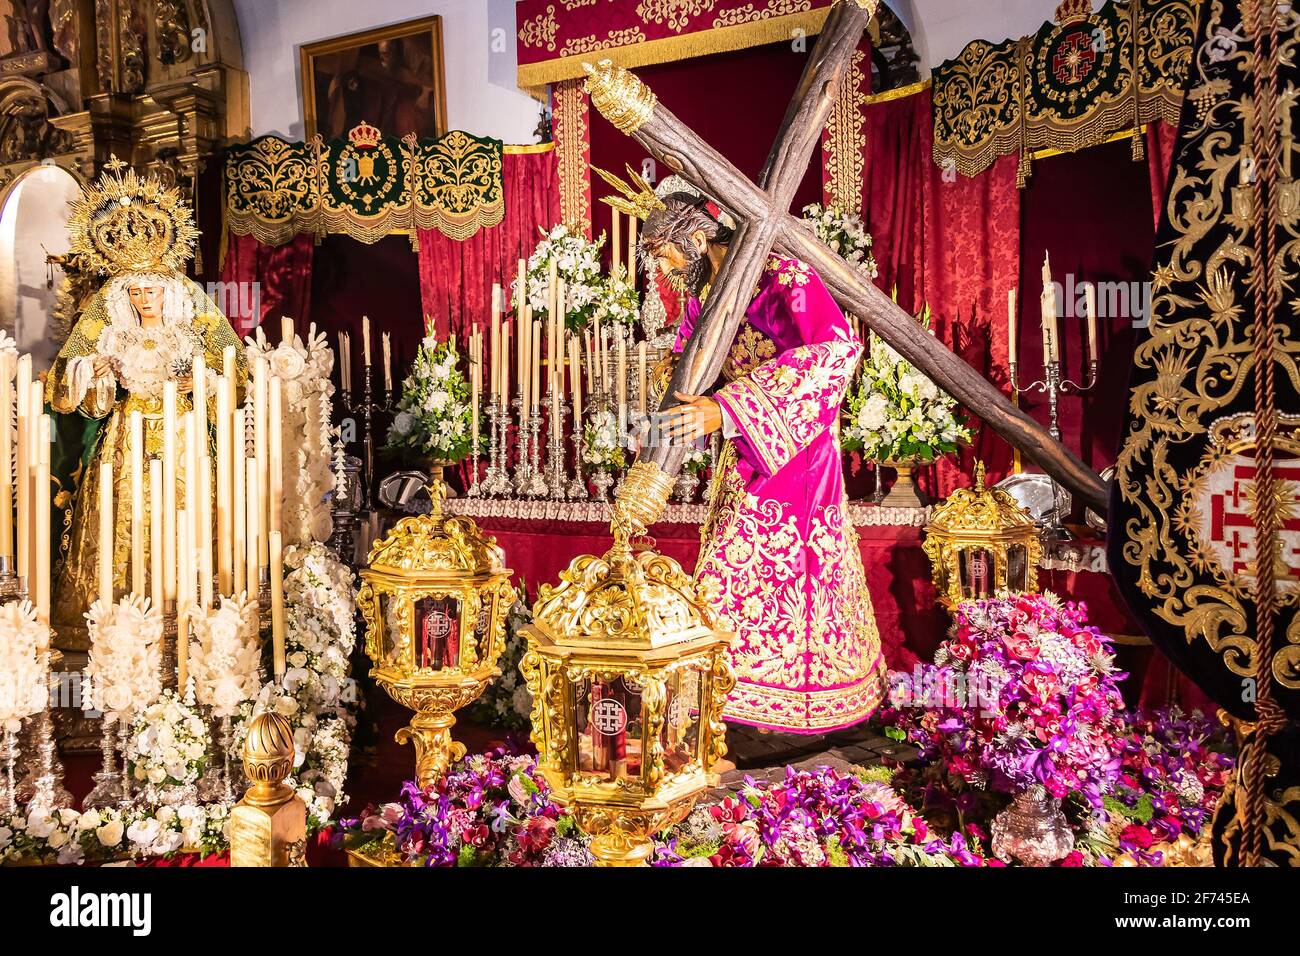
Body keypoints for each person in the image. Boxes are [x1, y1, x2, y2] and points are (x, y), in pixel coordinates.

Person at [640, 192, 885, 734]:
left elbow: (833, 353)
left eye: (665, 252)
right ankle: (733, 706)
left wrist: (728, 408)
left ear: (697, 236)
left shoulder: (783, 276)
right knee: (726, 574)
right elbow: (691, 365)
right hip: (746, 453)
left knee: (772, 571)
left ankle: (800, 703)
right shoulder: (705, 295)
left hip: (795, 457)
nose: (663, 268)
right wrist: (671, 392)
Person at [46, 160, 247, 648]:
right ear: (124, 295)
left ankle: (190, 613)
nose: (144, 299)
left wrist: (198, 384)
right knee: (127, 516)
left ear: (168, 288)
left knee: (184, 515)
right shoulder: (110, 327)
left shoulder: (193, 321)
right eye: (135, 291)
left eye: (151, 289)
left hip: (183, 437)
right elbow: (63, 384)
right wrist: (94, 374)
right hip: (126, 437)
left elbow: (235, 373)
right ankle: (121, 617)